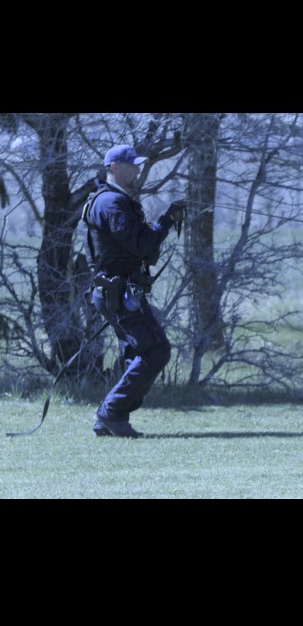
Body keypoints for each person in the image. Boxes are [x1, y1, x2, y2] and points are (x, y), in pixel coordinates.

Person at [84, 144, 186, 438]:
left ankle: (112, 418)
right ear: (114, 167)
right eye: (132, 165)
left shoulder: (112, 200)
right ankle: (110, 413)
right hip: (117, 292)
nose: (138, 170)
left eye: (138, 165)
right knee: (157, 350)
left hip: (118, 292)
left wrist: (167, 220)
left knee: (137, 353)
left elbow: (137, 246)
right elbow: (141, 244)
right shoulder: (111, 204)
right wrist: (167, 220)